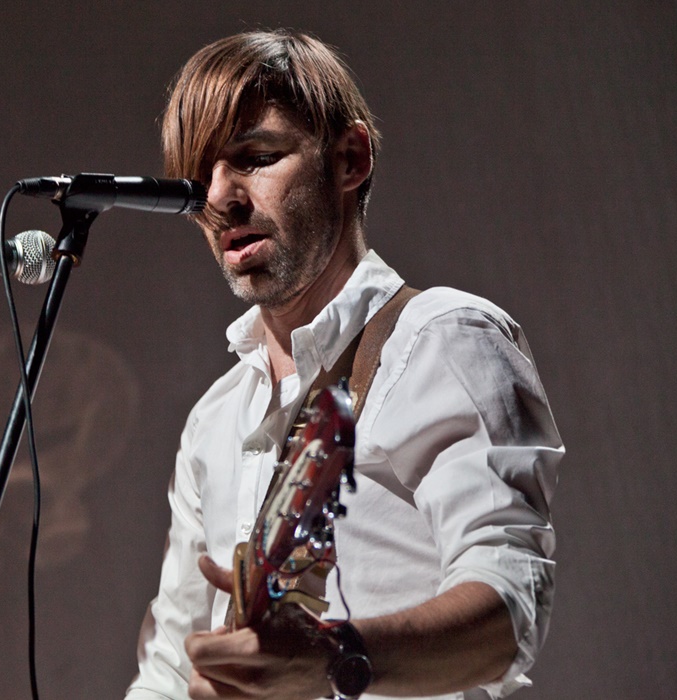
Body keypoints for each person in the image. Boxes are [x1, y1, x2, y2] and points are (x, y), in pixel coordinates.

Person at [126, 30, 561, 700]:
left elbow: (509, 607)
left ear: (349, 158)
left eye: (254, 158)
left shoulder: (443, 339)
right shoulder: (214, 417)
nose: (220, 197)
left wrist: (333, 658)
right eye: (200, 176)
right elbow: (168, 668)